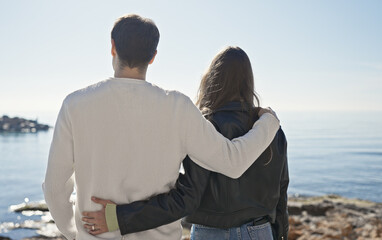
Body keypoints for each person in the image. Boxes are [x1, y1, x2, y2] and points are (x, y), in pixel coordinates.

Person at [43, 14, 280, 240]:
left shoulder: (75, 104)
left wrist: (74, 232)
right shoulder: (177, 106)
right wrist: (268, 121)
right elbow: (233, 162)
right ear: (153, 55)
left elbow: (54, 188)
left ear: (113, 47)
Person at [81, 47, 289, 240]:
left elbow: (186, 199)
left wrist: (119, 217)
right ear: (248, 82)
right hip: (261, 231)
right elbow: (281, 192)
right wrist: (281, 232)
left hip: (211, 234)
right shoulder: (270, 128)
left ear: (212, 78)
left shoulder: (204, 126)